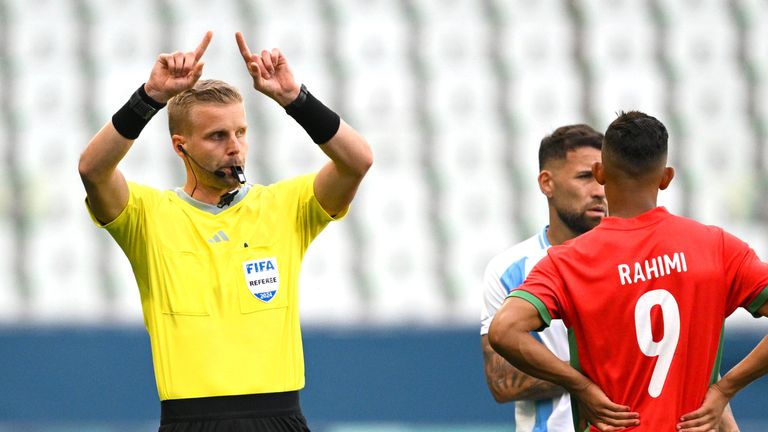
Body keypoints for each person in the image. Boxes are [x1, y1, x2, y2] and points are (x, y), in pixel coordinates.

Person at [78, 31, 372, 431]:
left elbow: (357, 161)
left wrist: (294, 99)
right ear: (181, 147)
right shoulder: (147, 216)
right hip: (191, 421)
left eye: (240, 132)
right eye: (218, 136)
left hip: (280, 418)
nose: (234, 147)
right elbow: (92, 170)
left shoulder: (285, 207)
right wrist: (149, 97)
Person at [488, 111, 768, 431]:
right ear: (666, 177)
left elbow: (503, 330)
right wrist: (725, 389)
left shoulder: (566, 262)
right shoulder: (716, 247)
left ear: (601, 172)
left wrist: (581, 387)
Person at [480, 124, 606, 431]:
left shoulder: (639, 260)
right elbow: (502, 382)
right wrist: (602, 371)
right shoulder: (512, 269)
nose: (600, 190)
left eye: (605, 178)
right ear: (547, 183)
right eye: (585, 177)